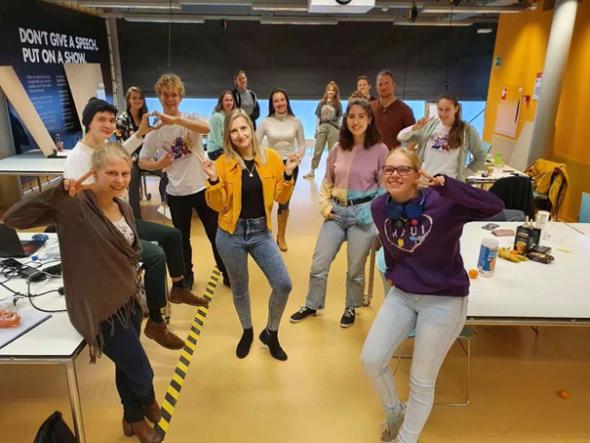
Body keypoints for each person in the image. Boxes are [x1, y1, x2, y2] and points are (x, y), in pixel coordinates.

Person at [4, 143, 168, 443]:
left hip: (128, 299)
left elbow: (129, 253)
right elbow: (15, 218)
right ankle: (146, 403)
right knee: (141, 371)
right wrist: (56, 190)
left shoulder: (124, 207)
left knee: (126, 365)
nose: (120, 180)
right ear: (94, 172)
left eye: (125, 173)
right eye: (112, 173)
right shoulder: (73, 205)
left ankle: (132, 420)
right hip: (99, 306)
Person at [360, 148, 503, 443]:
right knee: (371, 360)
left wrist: (447, 185)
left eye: (403, 169)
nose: (395, 175)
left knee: (421, 381)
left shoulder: (443, 202)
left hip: (445, 299)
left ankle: (405, 439)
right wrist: (394, 272)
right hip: (404, 295)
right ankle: (395, 413)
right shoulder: (379, 207)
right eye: (389, 169)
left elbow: (495, 205)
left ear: (417, 174)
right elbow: (390, 245)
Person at [65, 97, 207, 352]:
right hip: (102, 231)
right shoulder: (78, 158)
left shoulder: (104, 147)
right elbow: (76, 205)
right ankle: (156, 322)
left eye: (111, 120)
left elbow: (120, 153)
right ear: (88, 122)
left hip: (122, 220)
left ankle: (178, 287)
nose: (108, 125)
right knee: (155, 256)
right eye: (101, 119)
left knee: (173, 235)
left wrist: (140, 133)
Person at [199, 109, 303, 361]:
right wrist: (213, 181)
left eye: (243, 128)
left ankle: (271, 333)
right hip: (230, 234)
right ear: (228, 136)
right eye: (233, 131)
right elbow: (218, 205)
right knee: (240, 287)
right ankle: (247, 331)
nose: (240, 135)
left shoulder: (272, 158)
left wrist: (288, 174)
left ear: (251, 129)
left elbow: (280, 196)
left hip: (261, 232)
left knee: (283, 284)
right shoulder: (222, 164)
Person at [290, 98, 388, 328]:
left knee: (355, 269)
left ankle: (351, 307)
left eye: (361, 116)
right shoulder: (337, 148)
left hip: (362, 216)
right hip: (336, 213)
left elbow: (384, 188)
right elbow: (327, 181)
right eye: (351, 117)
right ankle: (312, 304)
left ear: (369, 119)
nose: (356, 121)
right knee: (319, 263)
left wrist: (371, 212)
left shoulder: (380, 150)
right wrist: (325, 207)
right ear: (346, 120)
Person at [139, 73, 229, 288]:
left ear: (180, 97)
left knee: (215, 234)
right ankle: (187, 276)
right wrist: (158, 164)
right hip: (176, 193)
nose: (170, 99)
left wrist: (176, 120)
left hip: (202, 188)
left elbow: (206, 129)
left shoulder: (190, 117)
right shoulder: (155, 131)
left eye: (174, 95)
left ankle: (227, 272)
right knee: (182, 239)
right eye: (165, 95)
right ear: (159, 97)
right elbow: (142, 161)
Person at [256, 88, 306, 251]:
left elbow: (302, 144)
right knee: (266, 201)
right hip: (270, 165)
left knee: (284, 202)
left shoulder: (296, 121)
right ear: (272, 104)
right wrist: (263, 157)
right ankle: (264, 235)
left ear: (287, 101)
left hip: (290, 166)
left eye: (282, 100)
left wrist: (298, 158)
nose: (279, 103)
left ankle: (281, 236)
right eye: (276, 101)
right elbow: (255, 142)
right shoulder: (266, 122)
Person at [397, 94, 486, 182]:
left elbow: (481, 157)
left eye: (447, 110)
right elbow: (401, 138)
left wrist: (463, 174)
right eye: (440, 109)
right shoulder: (430, 125)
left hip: (450, 184)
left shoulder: (467, 130)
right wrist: (414, 128)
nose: (443, 113)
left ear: (456, 109)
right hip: (426, 182)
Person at [115, 86, 169, 220]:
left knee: (166, 172)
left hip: (147, 157)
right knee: (132, 180)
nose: (137, 100)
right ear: (128, 100)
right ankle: (136, 218)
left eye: (140, 98)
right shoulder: (121, 119)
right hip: (130, 160)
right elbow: (121, 147)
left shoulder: (147, 117)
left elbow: (154, 137)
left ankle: (165, 206)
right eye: (134, 98)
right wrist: (136, 159)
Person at [303, 81, 343, 179]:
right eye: (329, 90)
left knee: (332, 151)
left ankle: (332, 173)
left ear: (335, 92)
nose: (331, 92)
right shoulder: (321, 103)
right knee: (317, 150)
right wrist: (316, 129)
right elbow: (318, 117)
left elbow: (340, 118)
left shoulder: (338, 103)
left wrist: (340, 131)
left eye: (333, 90)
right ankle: (312, 171)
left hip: (333, 128)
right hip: (323, 126)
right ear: (326, 91)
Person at [371, 70, 416, 150]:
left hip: (394, 156)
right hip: (372, 155)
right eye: (380, 84)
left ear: (393, 85)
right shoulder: (369, 108)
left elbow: (413, 138)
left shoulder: (405, 110)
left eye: (386, 83)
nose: (383, 87)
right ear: (376, 87)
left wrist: (403, 155)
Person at [207, 90, 235, 161]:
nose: (229, 102)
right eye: (226, 100)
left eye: (231, 100)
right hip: (215, 151)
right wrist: (233, 148)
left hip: (225, 148)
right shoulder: (216, 117)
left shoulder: (231, 117)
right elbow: (218, 140)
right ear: (221, 102)